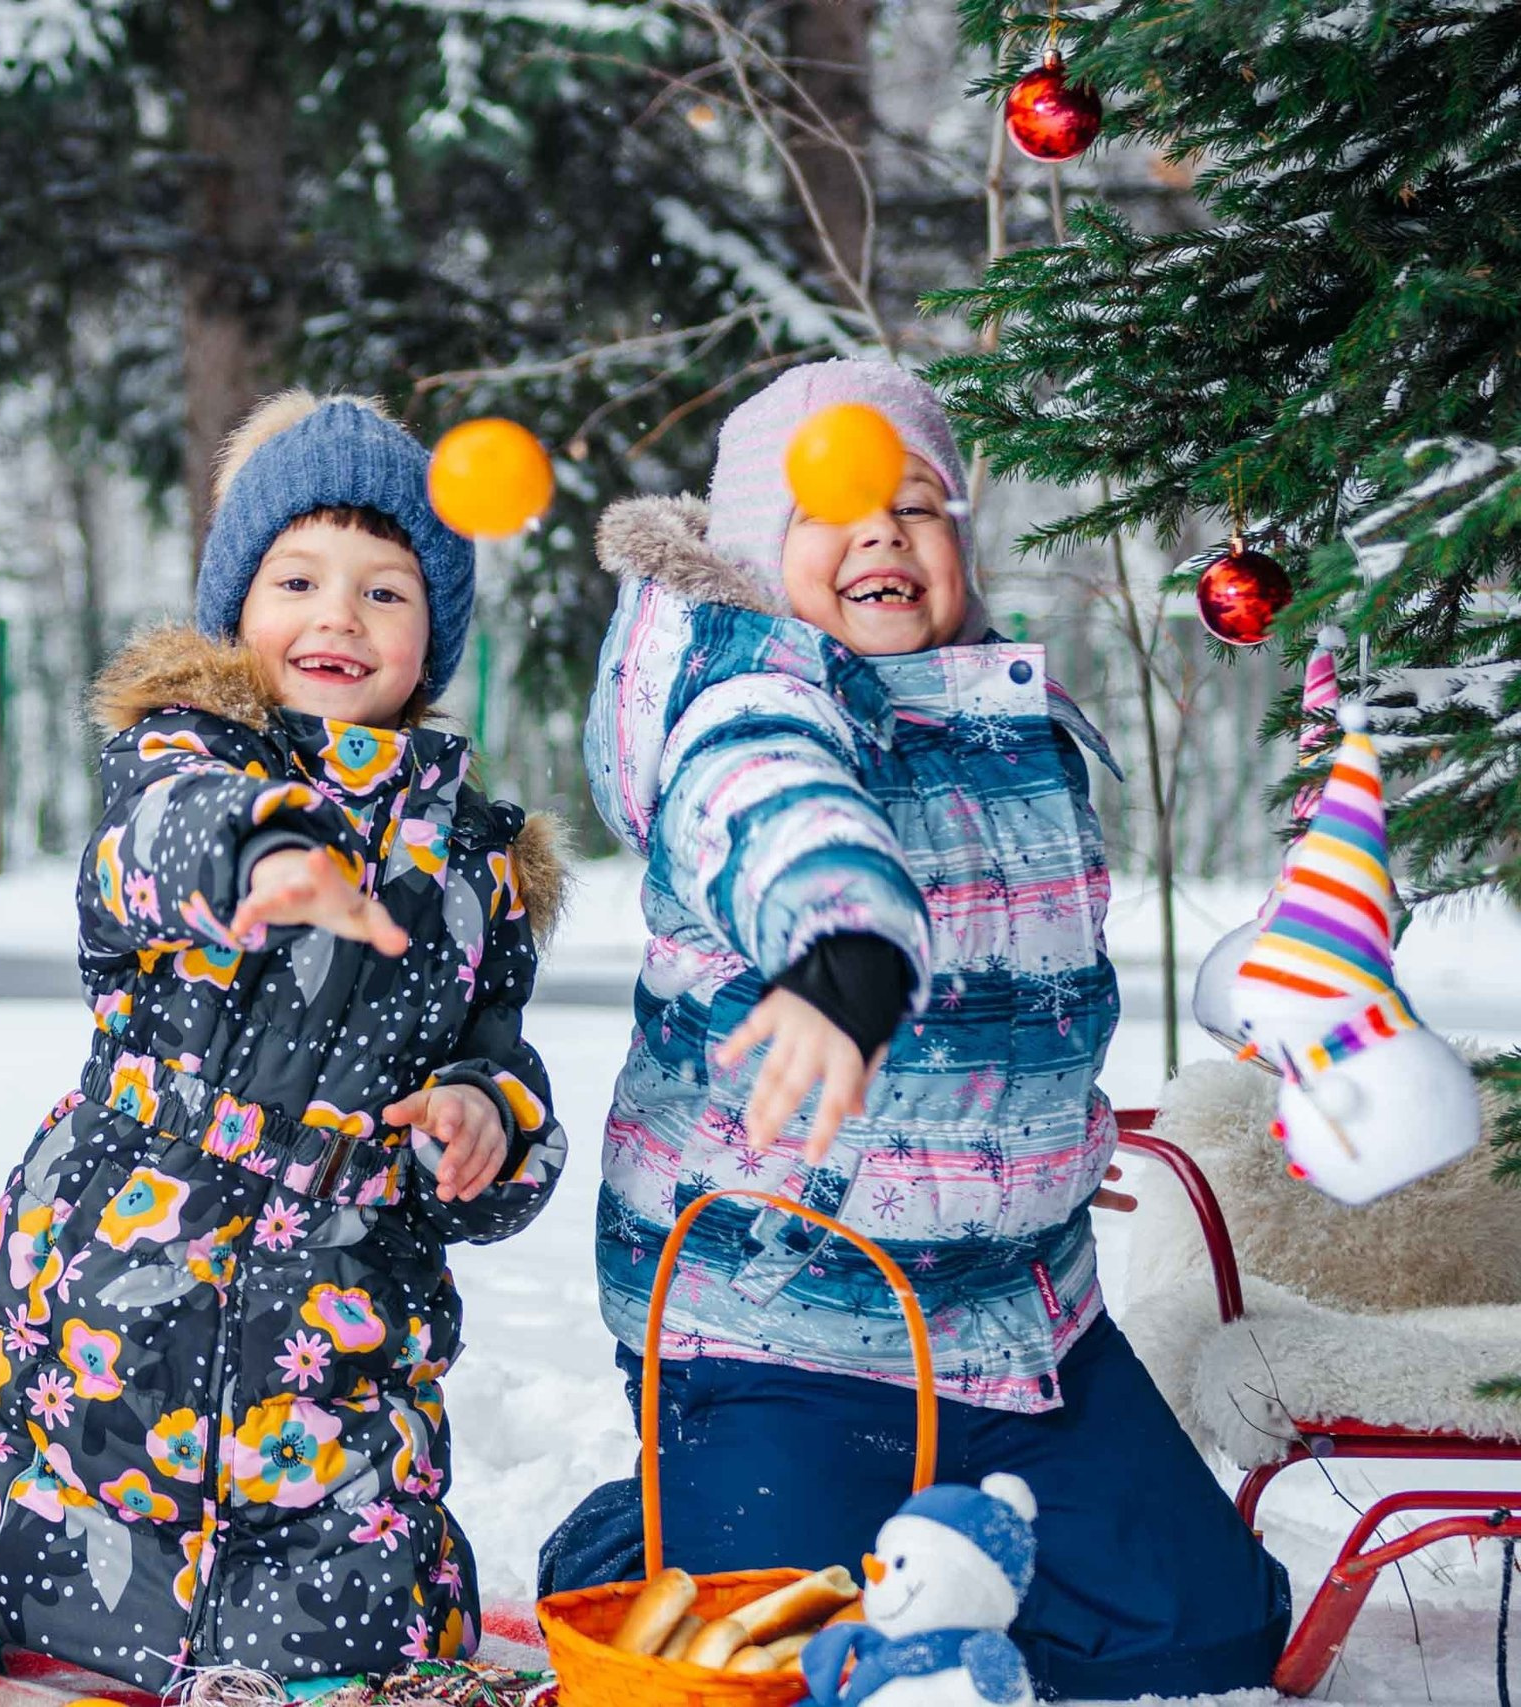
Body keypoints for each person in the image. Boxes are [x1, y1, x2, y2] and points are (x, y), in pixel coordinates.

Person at [541, 360, 1290, 1698]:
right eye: (833, 502)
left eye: (920, 505)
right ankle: (645, 1530)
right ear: (754, 557)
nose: (883, 531)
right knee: (764, 1658)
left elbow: (1026, 969)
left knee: (1203, 1633)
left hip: (1018, 1319)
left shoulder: (1006, 714)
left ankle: (926, 1562)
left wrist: (1033, 1134)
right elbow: (778, 810)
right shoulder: (744, 695)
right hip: (781, 1318)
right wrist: (844, 958)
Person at [0, 392, 567, 1689]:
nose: (338, 615)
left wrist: (488, 1117)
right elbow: (155, 843)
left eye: (385, 591)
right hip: (118, 1269)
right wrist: (270, 852)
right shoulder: (182, 761)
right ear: (239, 606)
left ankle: (305, 1649)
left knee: (349, 1583)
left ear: (436, 636)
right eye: (299, 578)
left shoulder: (476, 862)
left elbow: (501, 1049)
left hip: (340, 1305)